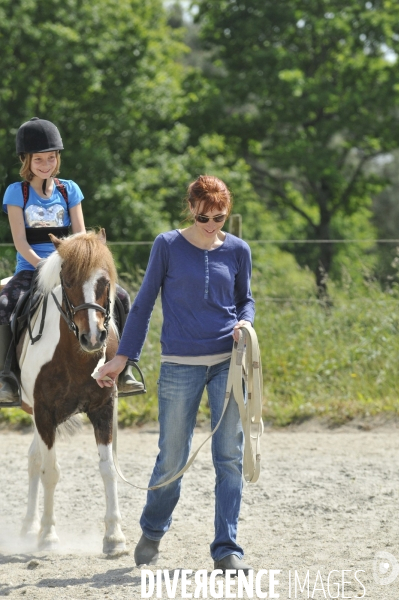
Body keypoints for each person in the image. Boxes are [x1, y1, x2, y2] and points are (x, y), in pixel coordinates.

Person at [96, 174, 255, 574]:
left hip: (228, 362)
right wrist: (122, 359)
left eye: (220, 217)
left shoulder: (238, 250)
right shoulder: (166, 245)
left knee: (229, 458)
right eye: (204, 216)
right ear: (191, 208)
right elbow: (145, 302)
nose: (211, 224)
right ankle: (152, 529)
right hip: (180, 364)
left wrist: (244, 325)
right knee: (172, 458)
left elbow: (245, 300)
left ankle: (226, 549)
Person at [0, 117, 143, 405]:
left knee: (123, 298)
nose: (45, 164)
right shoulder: (17, 192)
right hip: (33, 269)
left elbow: (80, 235)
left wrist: (77, 266)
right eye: (38, 159)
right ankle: (7, 377)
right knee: (4, 304)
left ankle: (126, 368)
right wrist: (45, 267)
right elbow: (21, 242)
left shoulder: (69, 190)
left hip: (73, 271)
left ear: (57, 158)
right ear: (27, 160)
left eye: (50, 158)